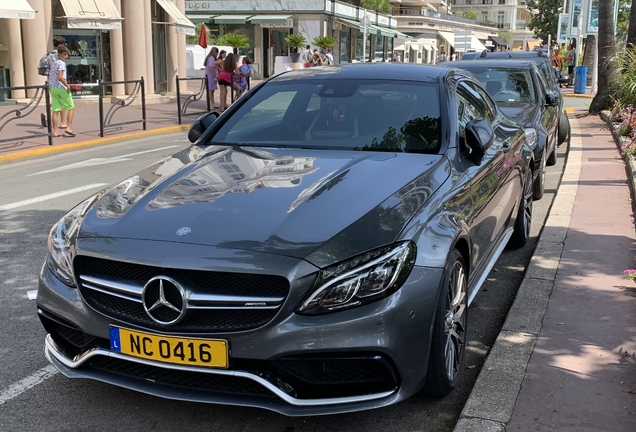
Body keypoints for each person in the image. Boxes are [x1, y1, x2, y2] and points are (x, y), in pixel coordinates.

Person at [41, 35, 68, 129]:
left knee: (57, 101)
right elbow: (60, 73)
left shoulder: (49, 54)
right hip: (59, 83)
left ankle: (47, 114)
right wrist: (66, 84)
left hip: (50, 82)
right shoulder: (59, 56)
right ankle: (62, 122)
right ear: (60, 45)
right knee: (62, 102)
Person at [49, 45, 75, 138]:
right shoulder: (61, 63)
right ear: (59, 54)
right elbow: (60, 77)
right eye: (65, 54)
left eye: (67, 55)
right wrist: (67, 85)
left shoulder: (54, 63)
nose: (66, 57)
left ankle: (55, 131)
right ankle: (68, 127)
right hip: (61, 87)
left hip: (53, 88)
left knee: (55, 110)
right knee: (71, 107)